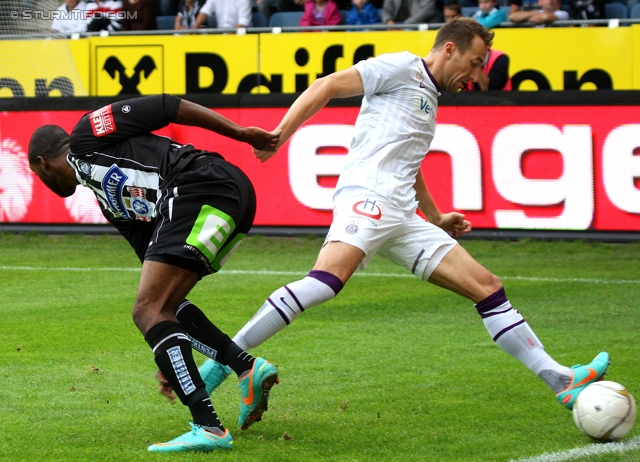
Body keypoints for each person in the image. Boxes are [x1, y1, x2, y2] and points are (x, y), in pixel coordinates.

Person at [194, 18, 610, 415]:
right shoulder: (400, 67)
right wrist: (280, 134)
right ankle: (225, 360)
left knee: (488, 287)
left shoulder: (431, 98)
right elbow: (326, 85)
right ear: (450, 49)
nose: (476, 74)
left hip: (403, 214)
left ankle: (559, 379)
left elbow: (410, 164)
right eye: (475, 62)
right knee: (324, 283)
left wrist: (437, 216)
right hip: (368, 196)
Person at [28, 94, 280, 453]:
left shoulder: (86, 135)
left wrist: (242, 134)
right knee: (162, 307)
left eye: (37, 175)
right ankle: (244, 367)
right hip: (232, 197)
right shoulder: (111, 202)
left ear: (43, 163)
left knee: (147, 310)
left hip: (200, 183)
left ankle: (208, 427)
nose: (42, 182)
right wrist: (170, 348)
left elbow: (167, 105)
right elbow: (162, 299)